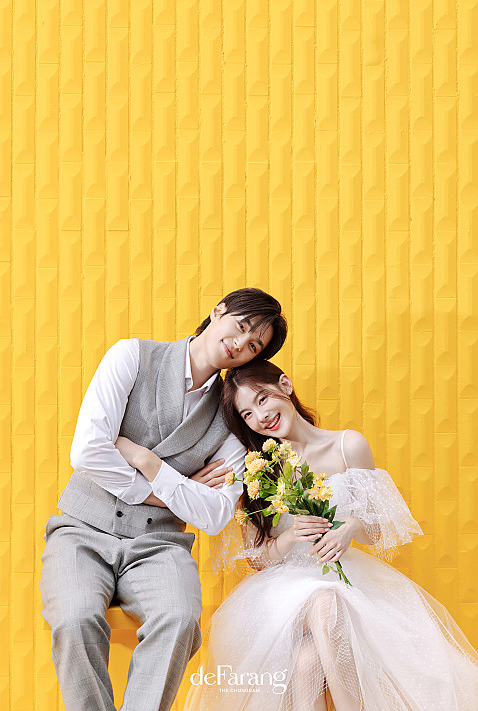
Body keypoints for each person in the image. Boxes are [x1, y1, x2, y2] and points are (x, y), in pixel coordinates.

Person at [40, 288, 288, 711]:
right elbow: (86, 453)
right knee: (74, 618)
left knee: (180, 619)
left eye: (253, 346)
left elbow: (215, 514)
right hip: (82, 529)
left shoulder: (232, 413)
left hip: (160, 544)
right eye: (242, 327)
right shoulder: (132, 356)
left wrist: (147, 460)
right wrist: (175, 491)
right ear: (218, 311)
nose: (240, 344)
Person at [182, 359, 478, 711]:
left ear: (285, 385)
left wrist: (348, 528)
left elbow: (376, 531)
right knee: (325, 603)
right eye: (247, 414)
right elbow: (258, 559)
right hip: (284, 592)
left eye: (262, 399)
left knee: (307, 663)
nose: (260, 416)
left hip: (347, 579)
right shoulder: (261, 468)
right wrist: (290, 537)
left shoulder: (347, 446)